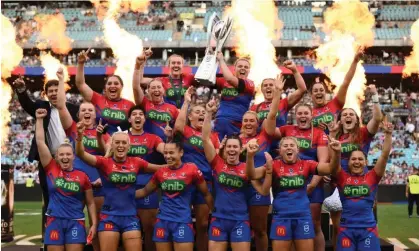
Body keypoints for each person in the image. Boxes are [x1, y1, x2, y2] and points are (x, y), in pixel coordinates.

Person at [12, 76, 79, 245]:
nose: (54, 93)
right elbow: (27, 104)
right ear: (46, 94)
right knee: (49, 197)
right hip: (49, 161)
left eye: (57, 90)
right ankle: (48, 235)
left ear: (63, 91)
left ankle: (75, 233)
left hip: (74, 161)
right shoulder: (42, 107)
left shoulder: (73, 109)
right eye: (51, 91)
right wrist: (21, 90)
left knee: (77, 196)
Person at [246, 136, 341, 251]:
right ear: (280, 151)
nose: (288, 148)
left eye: (292, 145)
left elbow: (331, 169)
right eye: (285, 146)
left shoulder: (307, 164)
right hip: (281, 217)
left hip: (303, 217)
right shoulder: (274, 165)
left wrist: (336, 153)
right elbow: (252, 175)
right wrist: (250, 156)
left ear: (298, 149)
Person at [75, 128, 162, 251]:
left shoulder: (137, 162)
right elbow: (81, 154)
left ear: (129, 146)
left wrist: (177, 166)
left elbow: (159, 169)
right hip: (109, 217)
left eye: (124, 143)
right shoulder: (104, 162)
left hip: (131, 217)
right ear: (112, 145)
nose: (120, 145)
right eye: (117, 142)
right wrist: (79, 137)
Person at [202, 99, 271, 251]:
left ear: (241, 150)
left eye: (235, 147)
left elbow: (264, 189)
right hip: (219, 219)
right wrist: (208, 113)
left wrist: (270, 168)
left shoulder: (247, 169)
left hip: (240, 220)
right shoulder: (217, 162)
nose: (232, 150)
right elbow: (205, 139)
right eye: (229, 147)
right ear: (224, 149)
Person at [56, 68, 109, 251]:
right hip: (74, 184)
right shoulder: (72, 129)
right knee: (73, 225)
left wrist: (104, 177)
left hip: (99, 184)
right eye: (83, 110)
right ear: (78, 115)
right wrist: (62, 80)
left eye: (90, 110)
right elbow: (61, 106)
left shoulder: (102, 133)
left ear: (95, 115)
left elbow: (109, 156)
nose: (87, 112)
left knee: (98, 227)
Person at [326, 85, 383, 248]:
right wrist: (331, 136)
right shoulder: (336, 137)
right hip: (340, 184)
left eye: (351, 114)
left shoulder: (363, 133)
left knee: (367, 221)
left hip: (363, 182)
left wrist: (375, 95)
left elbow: (377, 118)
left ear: (356, 119)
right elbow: (331, 159)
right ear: (340, 120)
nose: (348, 116)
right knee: (339, 228)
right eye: (345, 115)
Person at [35, 108, 97, 251]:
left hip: (76, 222)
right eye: (61, 154)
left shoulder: (82, 176)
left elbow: (91, 203)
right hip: (54, 220)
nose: (65, 157)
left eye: (68, 154)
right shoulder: (51, 168)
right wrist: (39, 120)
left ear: (73, 156)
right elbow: (40, 142)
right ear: (56, 157)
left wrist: (93, 223)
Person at [135, 141, 214, 251]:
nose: (168, 156)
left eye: (171, 153)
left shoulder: (192, 170)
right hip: (162, 221)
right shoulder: (160, 172)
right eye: (166, 153)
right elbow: (144, 191)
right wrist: (124, 195)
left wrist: (215, 213)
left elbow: (205, 193)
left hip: (182, 222)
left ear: (181, 153)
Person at [239, 74, 283, 251]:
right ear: (241, 123)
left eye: (252, 121)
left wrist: (278, 93)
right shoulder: (234, 140)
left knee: (260, 230)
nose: (249, 123)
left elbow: (272, 114)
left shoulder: (264, 136)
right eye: (246, 120)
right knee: (241, 228)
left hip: (259, 188)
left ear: (258, 123)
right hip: (238, 188)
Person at [333, 122, 393, 251]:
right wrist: (334, 140)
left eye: (360, 159)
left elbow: (384, 155)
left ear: (365, 162)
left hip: (368, 230)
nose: (357, 162)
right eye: (353, 159)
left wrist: (388, 135)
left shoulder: (372, 176)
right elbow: (334, 161)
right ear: (348, 162)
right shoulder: (341, 176)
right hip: (346, 230)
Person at [173, 87, 220, 251]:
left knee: (202, 224)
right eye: (197, 112)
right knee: (182, 221)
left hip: (205, 182)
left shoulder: (213, 136)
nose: (200, 114)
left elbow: (217, 158)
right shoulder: (185, 131)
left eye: (203, 112)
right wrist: (186, 101)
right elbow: (177, 128)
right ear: (190, 116)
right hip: (185, 182)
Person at [277, 104, 329, 251]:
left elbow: (323, 161)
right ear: (295, 115)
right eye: (299, 113)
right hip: (289, 182)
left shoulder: (318, 133)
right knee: (292, 224)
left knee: (314, 224)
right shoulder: (287, 129)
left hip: (312, 182)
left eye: (306, 113)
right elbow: (269, 130)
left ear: (311, 115)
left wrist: (312, 185)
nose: (303, 116)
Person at [125, 105, 166, 251]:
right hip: (125, 186)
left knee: (149, 228)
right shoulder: (122, 137)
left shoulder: (153, 138)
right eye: (134, 114)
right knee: (126, 230)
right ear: (129, 119)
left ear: (144, 119)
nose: (137, 116)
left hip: (147, 186)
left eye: (141, 114)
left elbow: (164, 150)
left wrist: (169, 139)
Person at [75, 49, 135, 135]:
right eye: (109, 84)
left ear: (122, 87)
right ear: (105, 88)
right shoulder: (97, 99)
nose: (112, 86)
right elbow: (80, 84)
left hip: (121, 145)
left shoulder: (130, 105)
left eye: (116, 83)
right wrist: (81, 63)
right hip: (99, 143)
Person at [311, 48, 363, 131]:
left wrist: (355, 61)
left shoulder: (335, 103)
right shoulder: (308, 113)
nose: (318, 92)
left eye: (321, 90)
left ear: (325, 93)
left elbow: (346, 83)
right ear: (311, 95)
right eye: (315, 91)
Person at [133, 55, 179, 144]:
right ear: (148, 91)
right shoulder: (144, 103)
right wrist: (137, 66)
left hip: (166, 147)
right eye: (153, 88)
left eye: (159, 87)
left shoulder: (173, 109)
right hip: (146, 145)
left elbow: (180, 130)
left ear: (163, 90)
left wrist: (172, 134)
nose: (156, 90)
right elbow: (135, 87)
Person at [250, 60, 306, 129]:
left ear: (277, 87)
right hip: (261, 139)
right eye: (265, 85)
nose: (268, 86)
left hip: (280, 139)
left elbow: (302, 89)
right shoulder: (255, 108)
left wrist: (295, 70)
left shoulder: (284, 103)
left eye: (271, 85)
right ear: (261, 90)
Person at [214, 52, 255, 140]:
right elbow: (206, 77)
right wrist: (209, 56)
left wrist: (221, 60)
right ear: (234, 69)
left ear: (249, 71)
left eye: (246, 67)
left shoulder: (250, 84)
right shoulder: (223, 81)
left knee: (232, 150)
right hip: (219, 121)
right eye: (240, 66)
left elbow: (229, 79)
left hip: (236, 123)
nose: (243, 68)